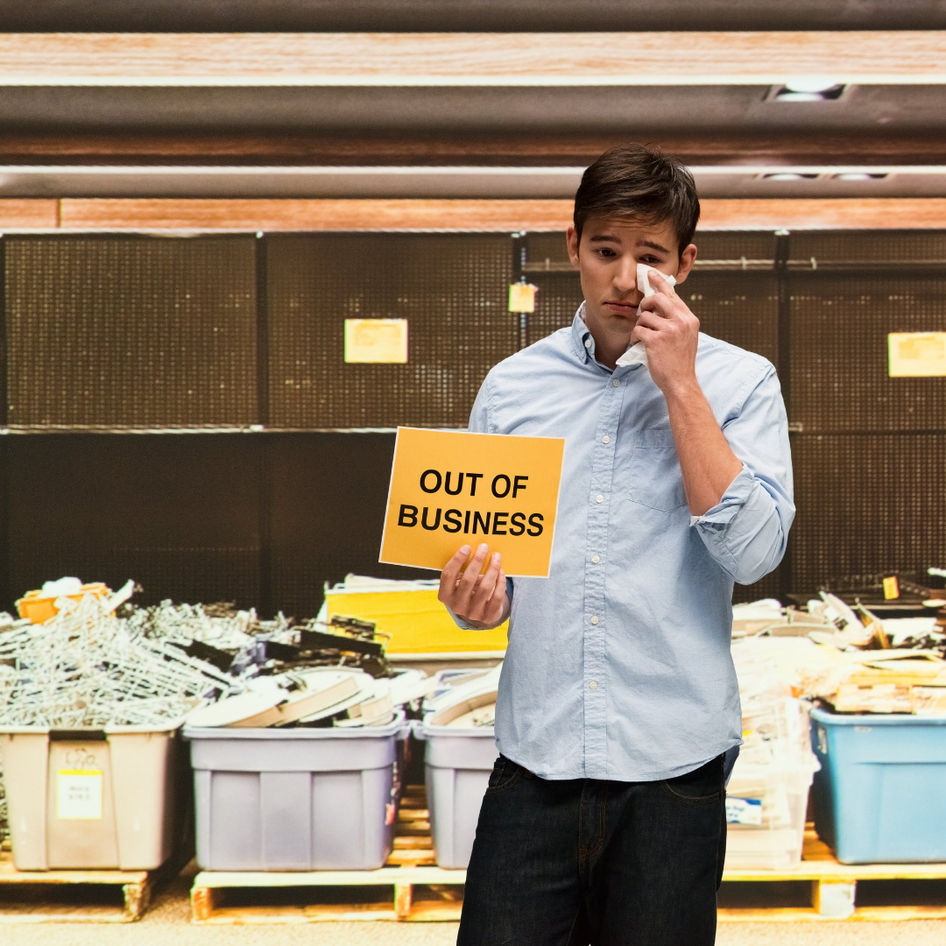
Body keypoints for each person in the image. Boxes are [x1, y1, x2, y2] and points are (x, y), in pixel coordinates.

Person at [437, 143, 795, 946]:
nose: (626, 279)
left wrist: (679, 382)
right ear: (573, 247)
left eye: (650, 257)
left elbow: (753, 553)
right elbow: (489, 589)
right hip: (537, 762)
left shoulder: (742, 384)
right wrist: (473, 601)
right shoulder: (512, 388)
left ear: (686, 264)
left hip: (674, 769)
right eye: (606, 251)